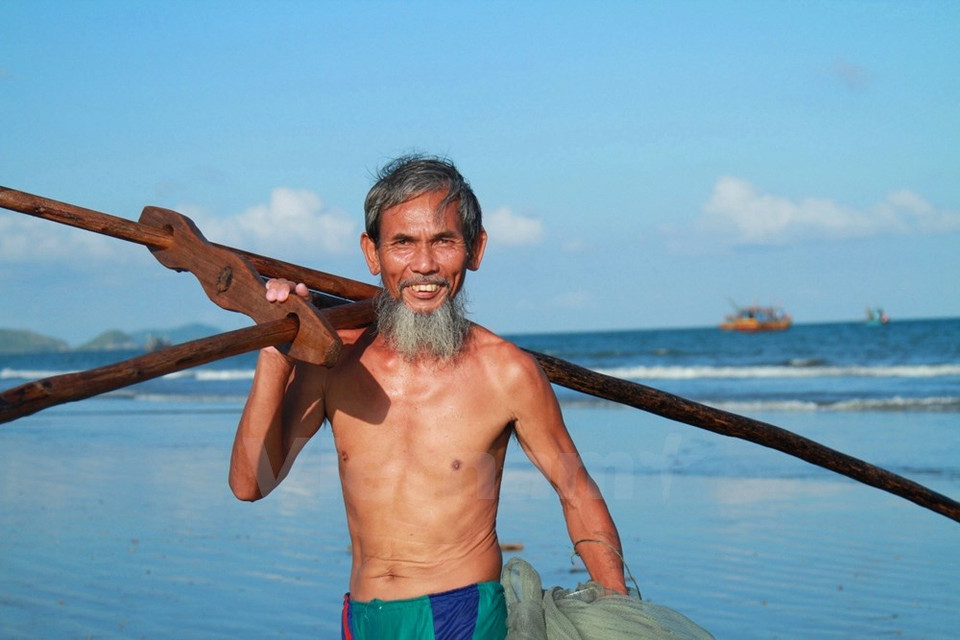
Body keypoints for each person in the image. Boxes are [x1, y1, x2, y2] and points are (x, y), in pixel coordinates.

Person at [228, 154, 626, 639]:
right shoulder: (335, 362)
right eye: (402, 243)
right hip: (364, 618)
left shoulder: (507, 371)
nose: (424, 265)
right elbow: (251, 483)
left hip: (462, 614)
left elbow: (576, 491)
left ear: (475, 250)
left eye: (443, 241)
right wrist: (275, 347)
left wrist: (618, 609)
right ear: (372, 254)